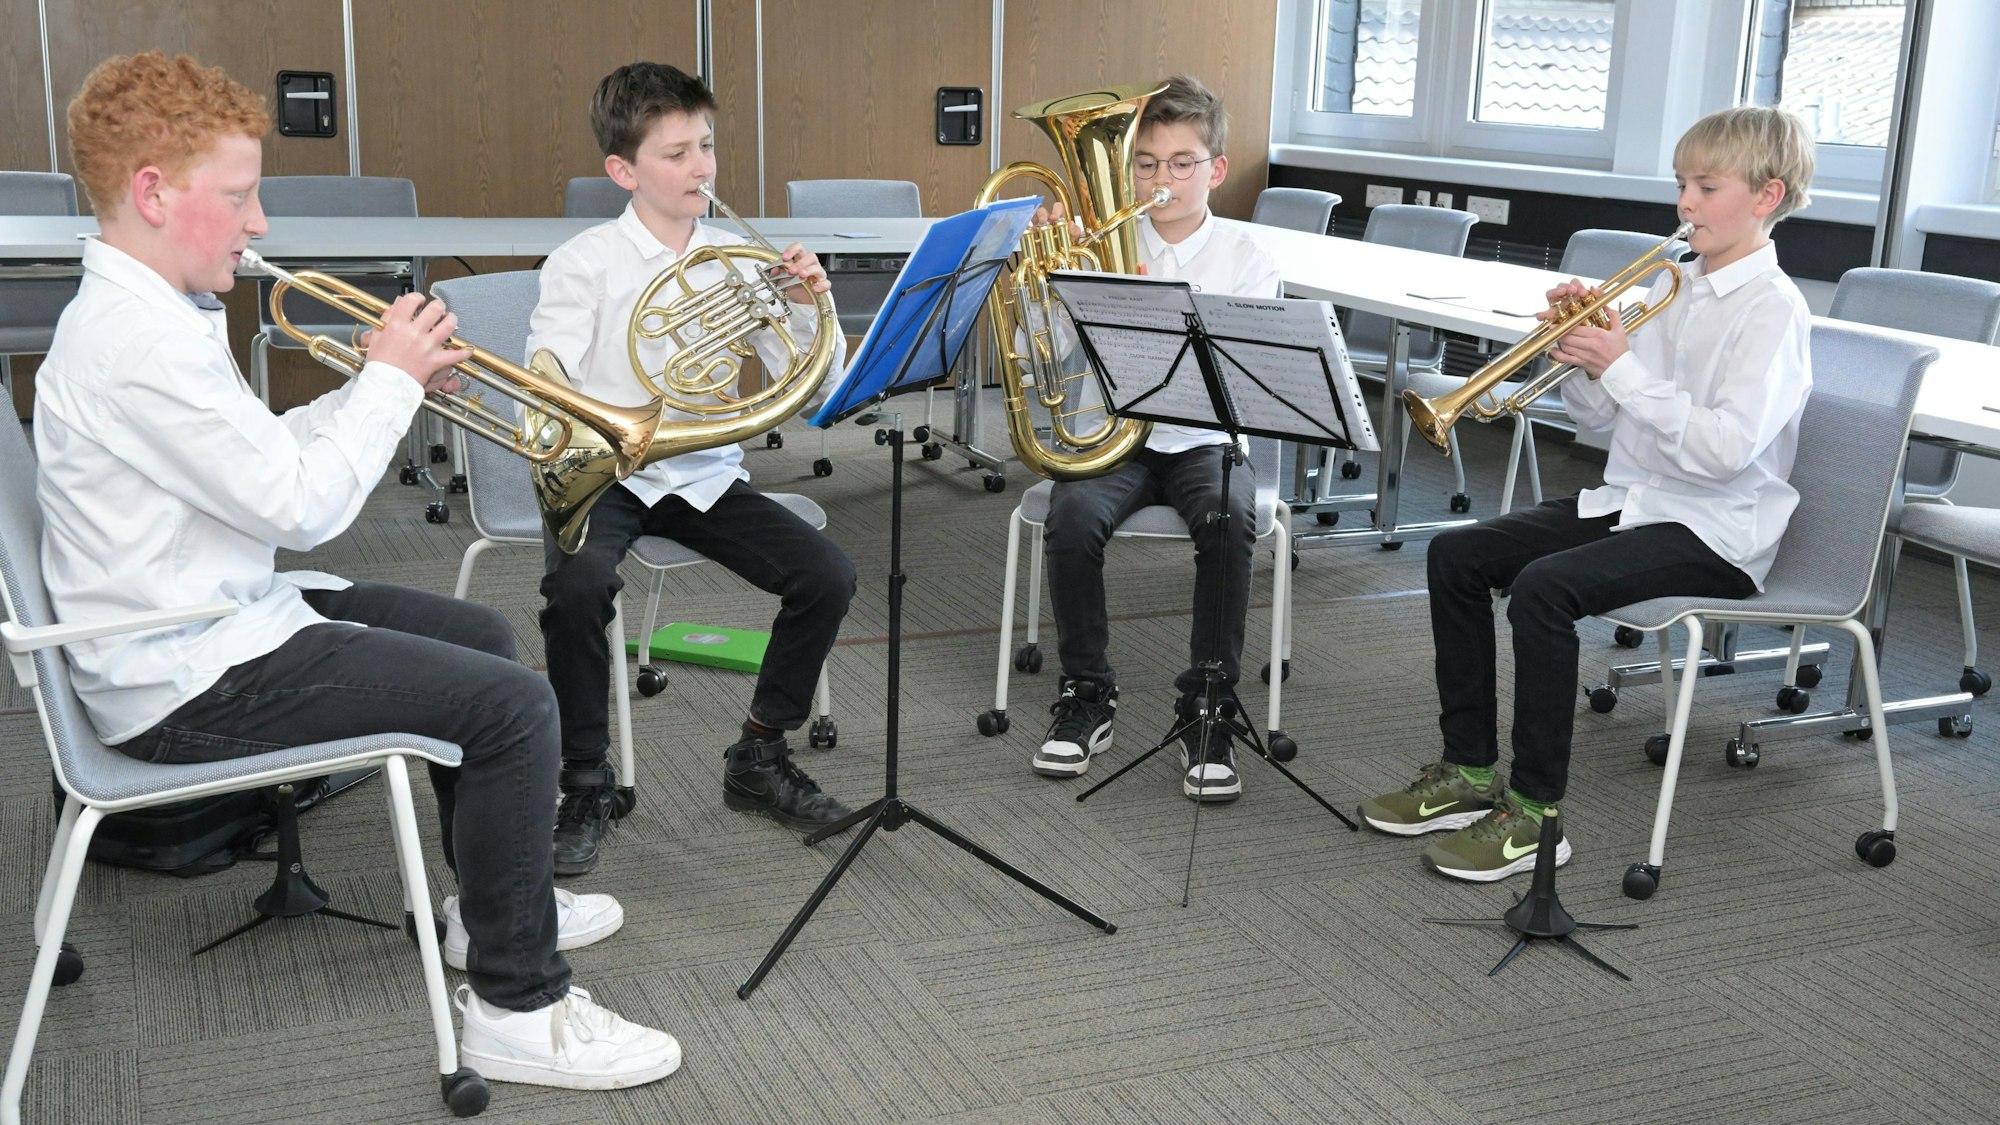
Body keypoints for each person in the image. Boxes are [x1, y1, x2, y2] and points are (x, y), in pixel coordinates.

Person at [36, 52, 680, 1088]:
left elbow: (262, 461)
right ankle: (521, 1007)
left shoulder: (150, 316)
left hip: (210, 612)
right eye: (240, 198)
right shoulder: (130, 342)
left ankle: (492, 907)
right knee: (513, 708)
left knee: (479, 639)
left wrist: (379, 383)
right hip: (181, 674)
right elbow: (305, 509)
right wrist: (386, 382)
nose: (257, 228)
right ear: (154, 195)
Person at [1357, 105, 1817, 882]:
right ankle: (1468, 772)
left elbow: (1725, 451)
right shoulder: (1672, 288)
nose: (1685, 205)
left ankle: (1538, 816)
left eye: (1707, 187)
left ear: (1767, 196)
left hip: (1716, 530)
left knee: (1542, 589)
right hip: (1631, 502)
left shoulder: (1775, 312)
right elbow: (1601, 420)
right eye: (1682, 185)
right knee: (1457, 554)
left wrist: (1624, 365)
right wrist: (1584, 353)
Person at [530, 61, 858, 875]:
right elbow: (546, 374)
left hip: (701, 471)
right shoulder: (584, 262)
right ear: (623, 169)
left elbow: (816, 383)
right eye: (675, 153)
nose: (701, 168)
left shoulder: (737, 258)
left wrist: (809, 307)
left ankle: (758, 752)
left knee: (828, 574)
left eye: (705, 146)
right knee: (575, 592)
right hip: (607, 472)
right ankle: (584, 779)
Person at [1028, 74, 1282, 803]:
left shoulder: (1247, 258)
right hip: (1113, 432)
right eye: (1145, 163)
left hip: (1204, 439)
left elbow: (1247, 377)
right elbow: (1047, 352)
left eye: (1181, 162)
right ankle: (1088, 690)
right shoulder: (1100, 244)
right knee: (1071, 516)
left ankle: (1207, 702)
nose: (1161, 178)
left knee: (1229, 516)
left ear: (1216, 171)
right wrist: (1054, 278)